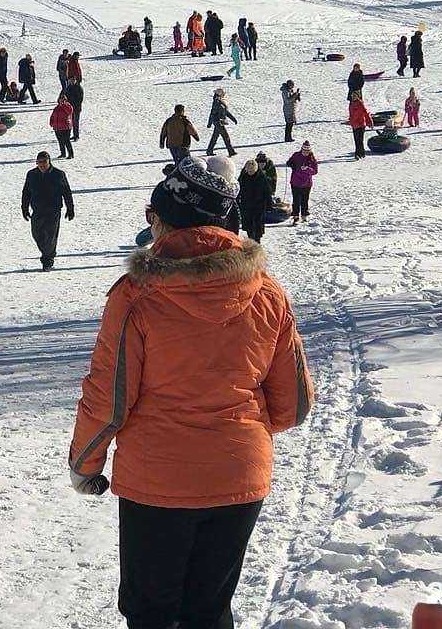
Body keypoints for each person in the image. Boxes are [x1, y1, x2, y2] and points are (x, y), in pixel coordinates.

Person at [68, 156, 314, 629]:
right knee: (210, 610)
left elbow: (109, 398)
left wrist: (85, 464)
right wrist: (239, 426)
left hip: (158, 483)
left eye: (151, 216)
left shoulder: (136, 294)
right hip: (238, 475)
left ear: (163, 219)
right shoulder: (267, 292)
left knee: (152, 613)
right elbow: (294, 403)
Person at [22, 151, 74, 271]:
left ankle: (47, 260)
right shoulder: (31, 174)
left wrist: (70, 208)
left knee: (50, 236)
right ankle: (48, 253)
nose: (42, 165)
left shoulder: (58, 174)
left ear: (49, 161)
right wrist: (24, 208)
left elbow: (66, 192)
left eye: (44, 162)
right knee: (37, 234)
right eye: (39, 162)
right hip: (38, 209)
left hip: (53, 210)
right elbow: (26, 192)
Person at [238, 159, 270, 242]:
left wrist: (269, 204)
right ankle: (251, 240)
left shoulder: (261, 177)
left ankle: (257, 241)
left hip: (259, 205)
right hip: (246, 204)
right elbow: (238, 189)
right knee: (248, 225)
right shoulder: (243, 176)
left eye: (252, 171)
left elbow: (267, 191)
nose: (250, 172)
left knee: (257, 225)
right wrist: (237, 201)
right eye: (248, 170)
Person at [286, 141, 318, 224]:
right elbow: (289, 162)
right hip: (295, 182)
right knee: (296, 200)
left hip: (307, 183)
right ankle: (296, 217)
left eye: (307, 151)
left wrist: (307, 169)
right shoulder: (296, 155)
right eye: (304, 151)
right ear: (301, 149)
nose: (305, 153)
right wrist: (292, 165)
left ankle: (304, 215)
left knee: (305, 200)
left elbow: (315, 171)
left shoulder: (312, 159)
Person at [207, 88, 238, 157]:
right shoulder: (217, 101)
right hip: (218, 122)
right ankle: (231, 151)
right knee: (226, 136)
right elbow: (212, 113)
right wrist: (209, 123)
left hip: (219, 121)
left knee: (215, 137)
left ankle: (209, 150)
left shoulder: (219, 101)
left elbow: (225, 111)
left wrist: (233, 118)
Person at [348, 92, 373, 160]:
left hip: (361, 124)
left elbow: (366, 113)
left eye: (355, 96)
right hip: (354, 124)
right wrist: (350, 120)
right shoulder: (351, 104)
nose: (353, 97)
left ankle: (359, 154)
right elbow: (351, 114)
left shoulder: (360, 103)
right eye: (352, 96)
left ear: (358, 96)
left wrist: (370, 122)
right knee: (356, 140)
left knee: (360, 140)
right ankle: (361, 153)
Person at [50, 93, 75, 159]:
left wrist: (63, 105)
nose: (61, 101)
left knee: (67, 141)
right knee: (60, 141)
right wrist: (51, 122)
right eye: (60, 99)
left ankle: (70, 154)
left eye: (63, 99)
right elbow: (53, 116)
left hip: (65, 127)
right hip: (57, 127)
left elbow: (69, 112)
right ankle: (63, 153)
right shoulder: (56, 108)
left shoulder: (68, 106)